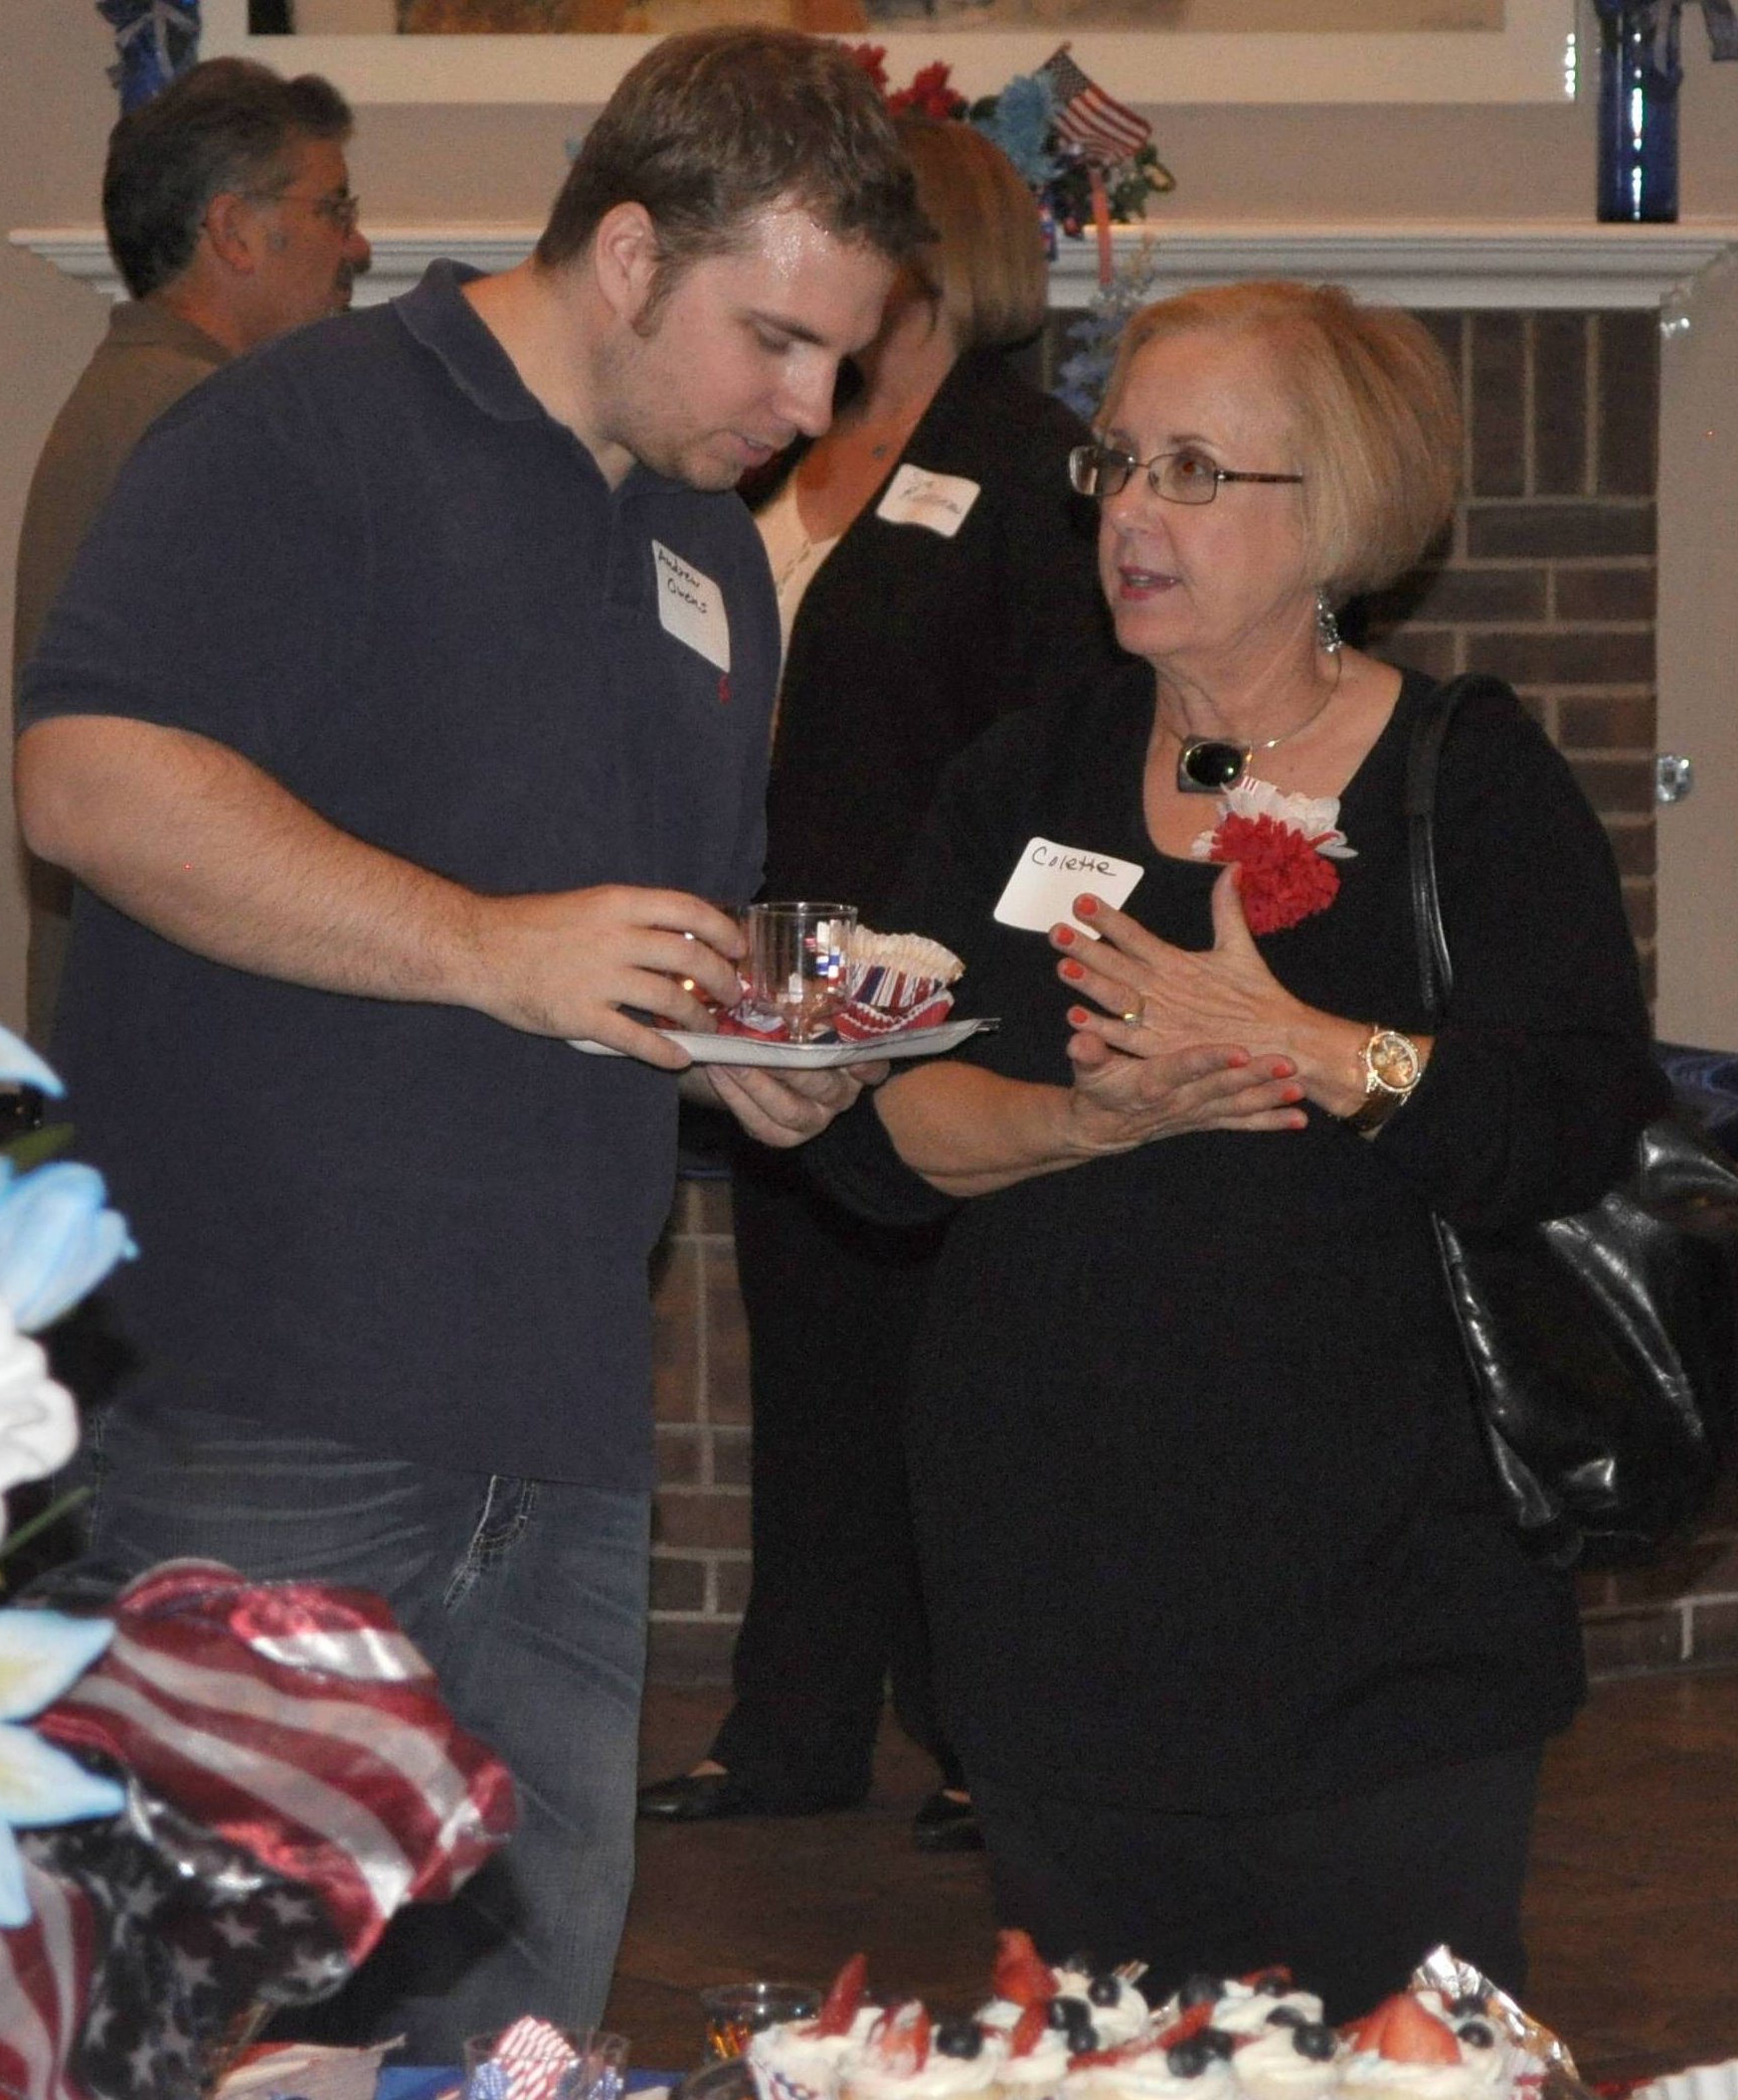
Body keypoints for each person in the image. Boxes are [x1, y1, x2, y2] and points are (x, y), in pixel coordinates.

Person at [14, 26, 927, 2062]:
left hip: (564, 1434)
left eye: (842, 363)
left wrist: (737, 1049)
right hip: (265, 1416)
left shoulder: (708, 553)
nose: (809, 410)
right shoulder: (297, 433)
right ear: (629, 254)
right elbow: (86, 781)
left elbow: (624, 952)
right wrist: (486, 948)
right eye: (777, 341)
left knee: (513, 2049)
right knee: (210, 2034)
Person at [808, 281, 1665, 2015]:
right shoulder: (1020, 778)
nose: (1129, 511)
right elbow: (880, 1133)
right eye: (1117, 463)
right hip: (1056, 1608)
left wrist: (1309, 1046)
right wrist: (1084, 1117)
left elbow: (1565, 1129)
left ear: (1334, 514)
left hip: (1381, 1624)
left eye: (1193, 471)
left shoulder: (1462, 782)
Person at [637, 115, 1116, 1852]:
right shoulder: (762, 451)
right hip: (776, 984)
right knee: (814, 1370)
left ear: (933, 254)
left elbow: (1064, 751)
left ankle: (992, 1729)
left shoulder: (1029, 465)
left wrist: (982, 967)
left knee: (953, 1381)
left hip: (947, 986)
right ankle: (794, 1723)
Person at [14, 56, 372, 1048]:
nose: (358, 243)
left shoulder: (135, 395)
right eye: (334, 209)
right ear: (232, 231)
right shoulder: (211, 422)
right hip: (187, 1022)